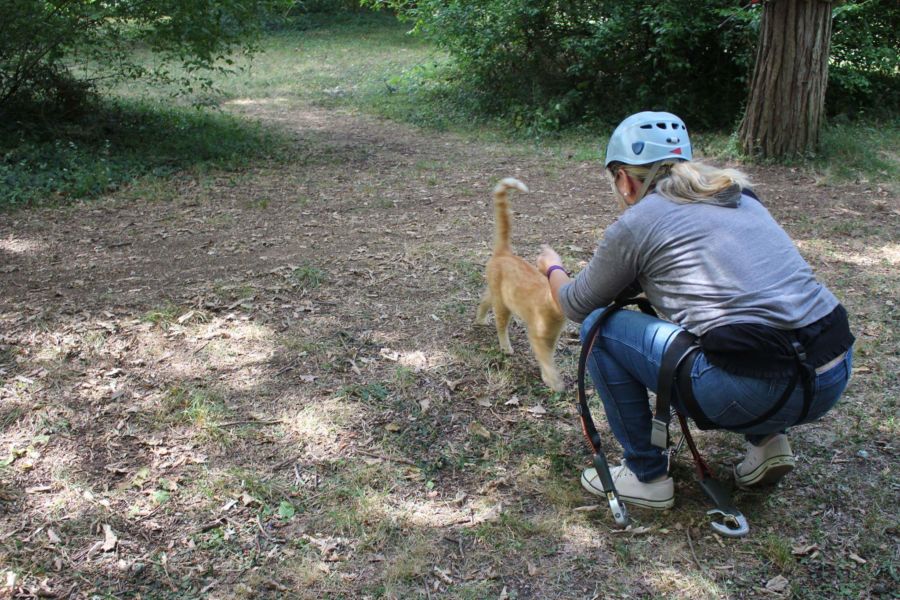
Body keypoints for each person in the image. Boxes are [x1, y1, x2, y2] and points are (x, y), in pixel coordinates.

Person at [536, 111, 854, 509]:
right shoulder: (737, 194)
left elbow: (575, 304)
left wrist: (553, 267)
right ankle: (769, 442)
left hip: (754, 390)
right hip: (830, 373)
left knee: (600, 328)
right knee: (741, 327)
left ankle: (646, 475)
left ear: (624, 178)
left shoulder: (638, 223)